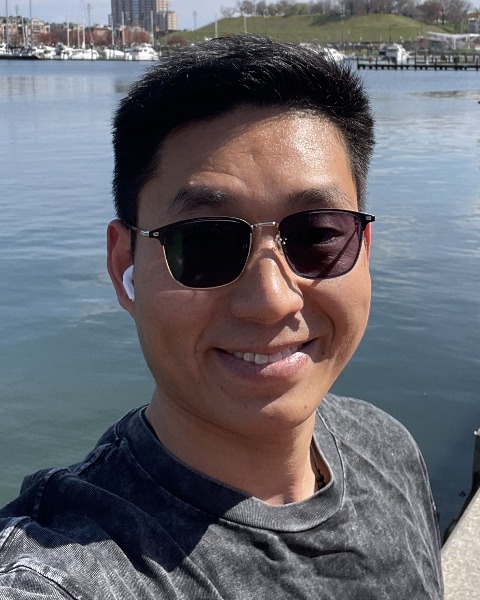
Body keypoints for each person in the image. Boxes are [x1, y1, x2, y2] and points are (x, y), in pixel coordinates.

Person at [0, 36, 443, 598]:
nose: (272, 300)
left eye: (317, 236)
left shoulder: (387, 448)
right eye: (204, 243)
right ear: (124, 265)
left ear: (364, 248)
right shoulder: (64, 574)